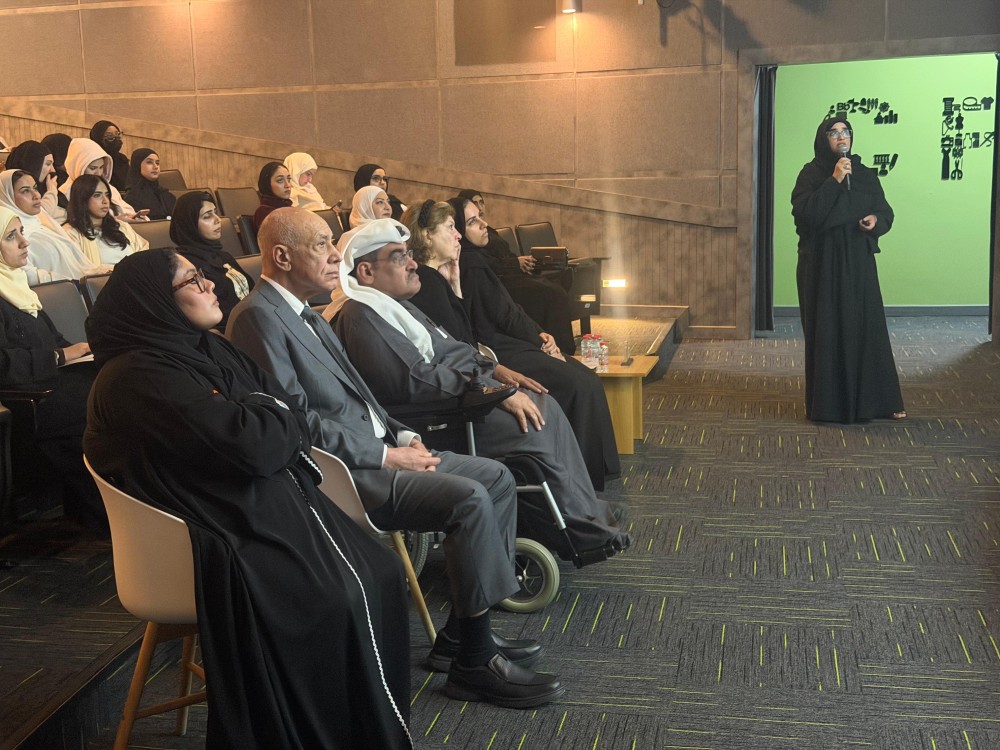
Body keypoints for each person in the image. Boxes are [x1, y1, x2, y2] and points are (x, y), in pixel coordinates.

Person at [227, 207, 563, 709]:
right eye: (322, 245)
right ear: (281, 255)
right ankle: (474, 665)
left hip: (379, 450)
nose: (336, 256)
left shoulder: (303, 310)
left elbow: (361, 396)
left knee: (495, 477)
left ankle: (462, 637)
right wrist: (386, 455)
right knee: (469, 498)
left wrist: (403, 435)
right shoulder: (258, 316)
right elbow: (294, 423)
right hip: (342, 474)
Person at [83, 248, 413, 749]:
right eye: (192, 280)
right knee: (330, 599)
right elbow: (255, 444)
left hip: (250, 504)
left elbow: (286, 416)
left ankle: (364, 731)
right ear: (154, 300)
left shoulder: (208, 349)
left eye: (203, 275)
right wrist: (268, 415)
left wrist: (265, 414)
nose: (210, 285)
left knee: (381, 572)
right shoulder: (136, 375)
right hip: (209, 530)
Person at [331, 218, 629, 558]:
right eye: (400, 257)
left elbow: (453, 349)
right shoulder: (361, 315)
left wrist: (495, 371)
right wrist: (491, 393)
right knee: (534, 420)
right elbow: (415, 379)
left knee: (542, 400)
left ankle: (584, 511)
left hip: (461, 399)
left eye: (410, 254)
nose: (413, 264)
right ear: (366, 272)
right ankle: (576, 530)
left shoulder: (395, 306)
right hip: (438, 418)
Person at [405, 199, 621, 491]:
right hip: (471, 384)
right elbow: (460, 346)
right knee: (558, 397)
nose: (458, 235)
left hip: (479, 367)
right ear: (427, 235)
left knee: (569, 388)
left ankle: (578, 485)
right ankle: (576, 487)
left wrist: (455, 286)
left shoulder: (438, 278)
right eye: (451, 227)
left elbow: (463, 337)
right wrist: (498, 373)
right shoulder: (428, 282)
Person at [791, 116, 905, 423]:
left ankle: (877, 403)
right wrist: (834, 180)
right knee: (828, 330)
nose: (841, 137)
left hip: (858, 264)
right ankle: (830, 407)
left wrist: (875, 221)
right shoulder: (812, 174)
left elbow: (885, 212)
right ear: (823, 139)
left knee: (867, 328)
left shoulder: (864, 173)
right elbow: (806, 216)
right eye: (834, 133)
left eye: (846, 132)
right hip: (822, 264)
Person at [0, 205, 105, 532]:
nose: (24, 242)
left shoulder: (16, 286)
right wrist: (59, 357)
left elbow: (54, 339)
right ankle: (103, 512)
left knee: (112, 382)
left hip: (48, 382)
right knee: (96, 403)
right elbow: (4, 364)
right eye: (10, 237)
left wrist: (82, 350)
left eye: (21, 233)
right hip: (24, 399)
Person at [454, 193, 575, 354]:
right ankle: (560, 349)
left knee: (559, 280)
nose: (484, 224)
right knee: (551, 293)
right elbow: (504, 314)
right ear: (458, 229)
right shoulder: (472, 264)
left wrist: (539, 333)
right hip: (498, 344)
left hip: (510, 285)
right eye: (472, 221)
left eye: (481, 203)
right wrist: (539, 340)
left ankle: (559, 348)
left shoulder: (487, 235)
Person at [0, 169, 111, 284]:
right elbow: (22, 274)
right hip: (61, 290)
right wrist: (71, 282)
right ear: (6, 196)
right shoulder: (9, 234)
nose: (36, 195)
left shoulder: (41, 221)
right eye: (25, 191)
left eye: (35, 188)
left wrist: (91, 274)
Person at [170, 191, 253, 331]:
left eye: (215, 212)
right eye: (207, 216)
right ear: (189, 224)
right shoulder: (186, 265)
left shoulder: (223, 256)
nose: (217, 219)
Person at [63, 174, 149, 265]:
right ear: (82, 199)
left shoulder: (121, 226)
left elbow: (143, 252)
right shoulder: (71, 233)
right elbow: (80, 269)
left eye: (107, 195)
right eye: (97, 195)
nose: (105, 201)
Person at [61, 138, 143, 221]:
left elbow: (126, 209)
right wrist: (118, 221)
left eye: (101, 167)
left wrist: (133, 217)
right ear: (78, 167)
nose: (98, 173)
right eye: (93, 168)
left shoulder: (108, 188)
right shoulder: (66, 193)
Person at [5, 139, 65, 223]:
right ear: (33, 164)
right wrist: (52, 191)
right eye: (48, 164)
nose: (53, 170)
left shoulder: (47, 188)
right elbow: (39, 216)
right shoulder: (10, 192)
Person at [124, 148, 176, 220]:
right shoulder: (132, 197)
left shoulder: (167, 195)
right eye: (149, 162)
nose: (155, 167)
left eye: (157, 163)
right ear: (137, 165)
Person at [252, 161, 293, 232]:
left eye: (289, 179)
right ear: (267, 184)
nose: (288, 185)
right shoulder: (263, 212)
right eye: (280, 180)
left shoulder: (289, 208)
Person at [88, 120, 129, 192]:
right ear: (98, 138)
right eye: (110, 136)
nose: (115, 138)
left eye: (117, 134)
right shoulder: (93, 159)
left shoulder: (122, 159)